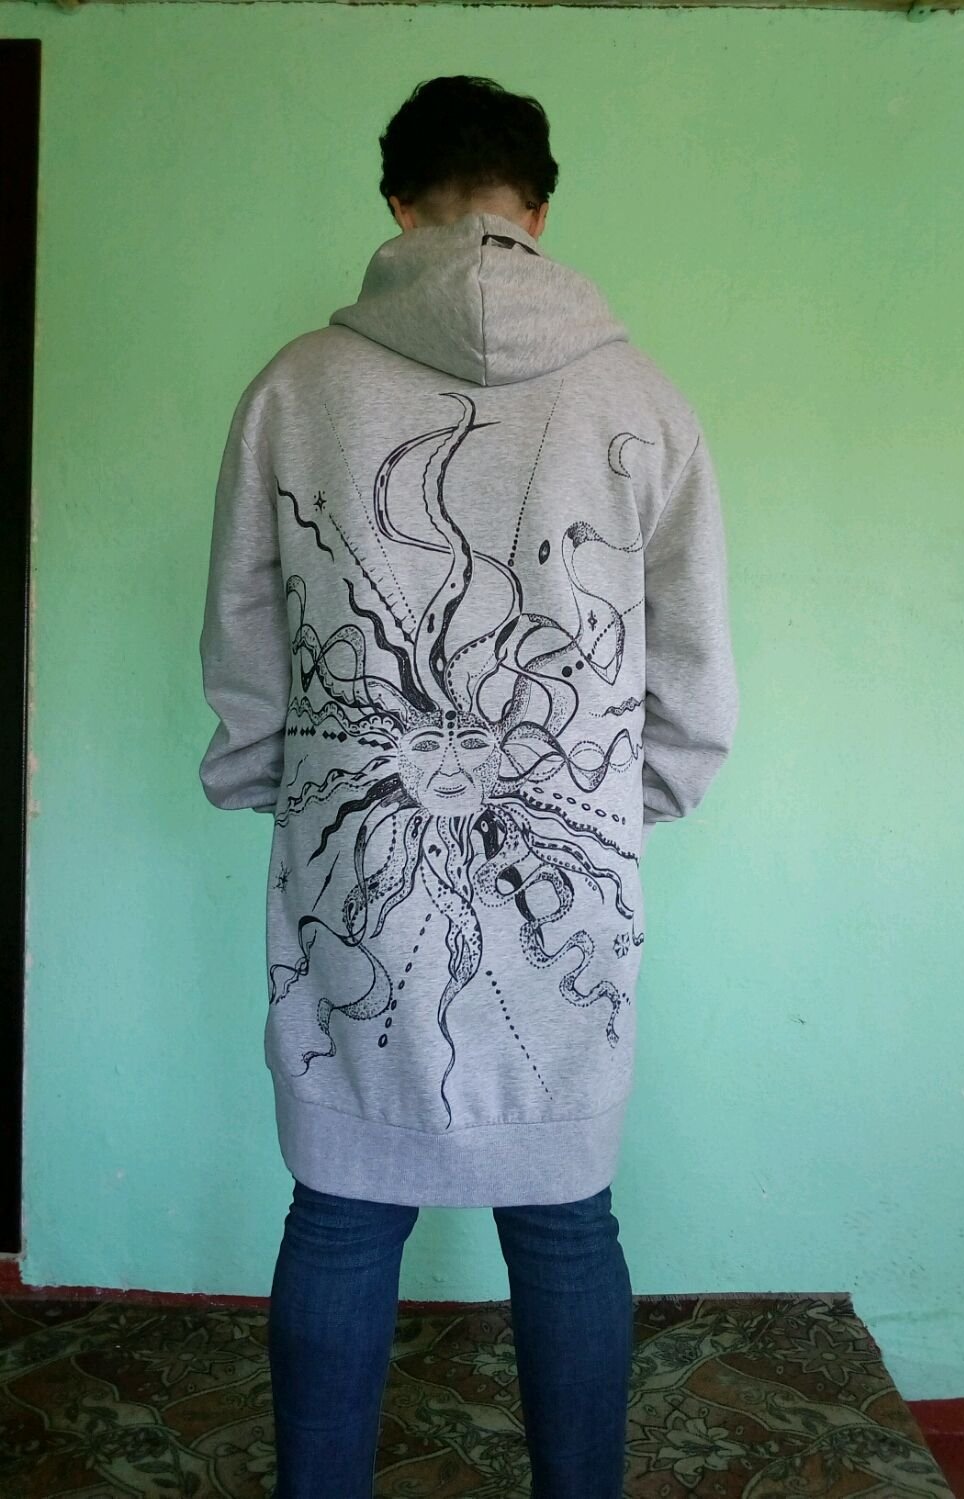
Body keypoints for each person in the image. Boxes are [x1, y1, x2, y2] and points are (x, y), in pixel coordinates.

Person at [198, 74, 737, 1499]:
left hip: (355, 865)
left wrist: (275, 788)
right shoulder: (645, 401)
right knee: (566, 1216)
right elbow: (694, 671)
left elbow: (245, 641)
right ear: (538, 211)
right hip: (571, 866)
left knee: (342, 1203)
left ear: (396, 204)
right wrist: (620, 805)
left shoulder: (295, 387)